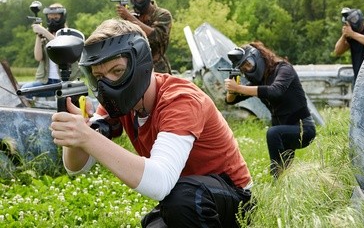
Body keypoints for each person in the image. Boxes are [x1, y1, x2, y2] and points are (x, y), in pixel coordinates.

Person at [50, 19, 253, 228]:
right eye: (99, 76)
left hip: (235, 199)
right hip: (189, 195)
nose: (107, 83)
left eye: (117, 71)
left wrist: (87, 136)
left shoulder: (180, 99)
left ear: (141, 64)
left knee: (182, 200)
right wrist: (75, 134)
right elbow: (77, 167)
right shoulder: (122, 101)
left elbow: (160, 182)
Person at [223, 41, 316, 178]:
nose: (247, 69)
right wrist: (232, 85)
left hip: (303, 129)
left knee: (273, 134)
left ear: (258, 57)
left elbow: (275, 91)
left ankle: (276, 178)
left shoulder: (284, 68)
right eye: (243, 68)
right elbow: (230, 100)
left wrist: (239, 88)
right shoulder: (259, 81)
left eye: (248, 64)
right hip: (283, 131)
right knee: (286, 173)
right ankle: (281, 185)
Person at [20, 3, 81, 99]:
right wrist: (38, 35)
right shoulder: (45, 35)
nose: (52, 21)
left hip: (66, 81)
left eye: (56, 18)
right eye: (50, 18)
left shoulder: (69, 34)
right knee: (24, 90)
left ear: (62, 17)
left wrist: (44, 31)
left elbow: (62, 46)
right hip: (47, 82)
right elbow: (38, 57)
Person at [115, 0, 172, 74]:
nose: (136, 1)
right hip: (137, 68)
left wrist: (130, 17)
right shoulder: (133, 15)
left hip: (158, 69)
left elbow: (156, 37)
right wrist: (125, 21)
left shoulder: (162, 14)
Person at [334, 8, 364, 86]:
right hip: (358, 80)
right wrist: (344, 35)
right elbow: (337, 51)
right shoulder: (352, 37)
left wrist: (352, 34)